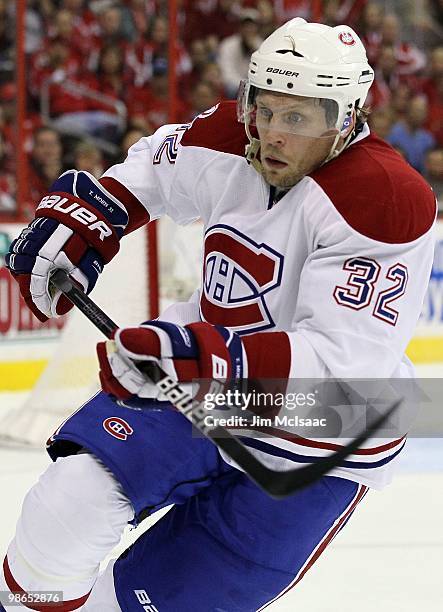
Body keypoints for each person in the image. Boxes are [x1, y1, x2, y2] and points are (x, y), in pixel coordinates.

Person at [2, 17, 436, 611]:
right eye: (265, 108)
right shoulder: (232, 135)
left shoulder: (386, 199)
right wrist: (95, 214)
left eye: (299, 117)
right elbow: (155, 166)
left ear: (346, 118)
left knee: (144, 604)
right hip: (200, 381)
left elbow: (342, 365)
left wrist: (206, 357)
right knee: (61, 517)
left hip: (322, 431)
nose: (274, 134)